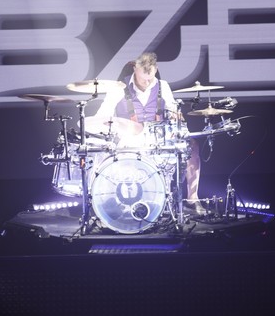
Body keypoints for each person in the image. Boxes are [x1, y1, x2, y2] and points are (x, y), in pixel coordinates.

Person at [89, 52, 207, 216]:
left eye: (150, 78)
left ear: (155, 69)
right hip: (128, 142)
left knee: (192, 146)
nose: (146, 82)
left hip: (158, 140)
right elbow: (102, 116)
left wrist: (179, 123)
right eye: (143, 78)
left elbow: (174, 111)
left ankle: (192, 198)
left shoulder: (163, 86)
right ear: (135, 69)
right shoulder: (118, 88)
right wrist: (108, 125)